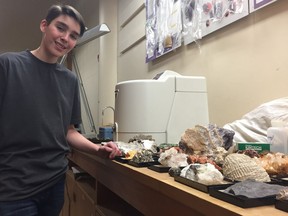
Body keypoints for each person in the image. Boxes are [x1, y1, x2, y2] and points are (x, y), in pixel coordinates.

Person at [0, 4, 121, 216]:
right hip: (13, 187)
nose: (65, 38)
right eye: (61, 28)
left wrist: (97, 149)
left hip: (54, 183)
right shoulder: (8, 65)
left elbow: (69, 131)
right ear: (44, 25)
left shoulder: (69, 80)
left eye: (73, 36)